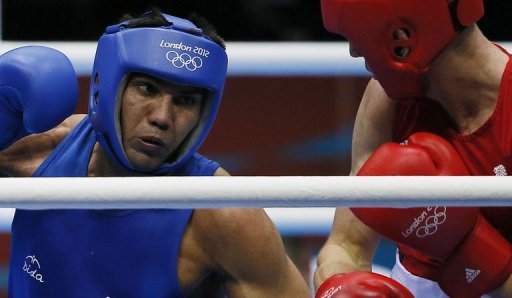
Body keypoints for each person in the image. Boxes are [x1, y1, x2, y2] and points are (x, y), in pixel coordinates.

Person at [0, 10, 310, 297]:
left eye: (185, 101)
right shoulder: (47, 148)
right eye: (147, 89)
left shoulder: (223, 214)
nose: (162, 117)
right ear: (105, 87)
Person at [314, 0, 512, 297]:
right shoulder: (388, 100)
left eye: (358, 35)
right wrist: (339, 287)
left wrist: (470, 248)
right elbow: (346, 247)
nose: (355, 52)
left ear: (402, 36)